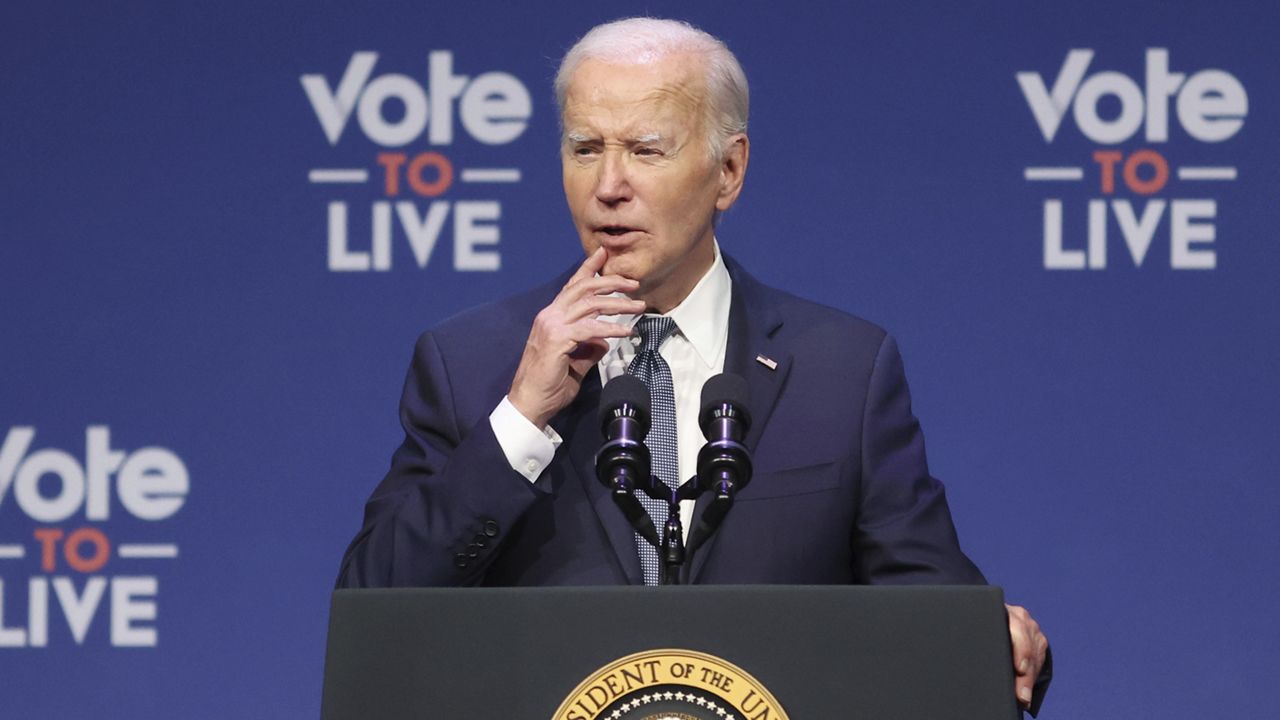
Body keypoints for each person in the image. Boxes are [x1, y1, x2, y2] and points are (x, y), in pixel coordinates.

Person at [337, 17, 1049, 713]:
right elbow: (375, 618)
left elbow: (933, 618)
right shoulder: (473, 364)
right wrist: (520, 419)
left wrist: (993, 642)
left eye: (646, 151)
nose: (608, 185)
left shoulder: (843, 371)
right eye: (585, 148)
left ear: (729, 170)